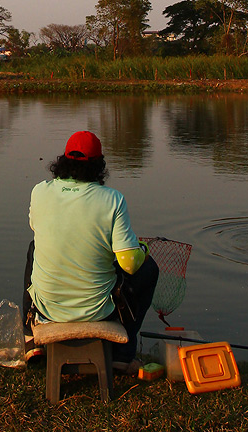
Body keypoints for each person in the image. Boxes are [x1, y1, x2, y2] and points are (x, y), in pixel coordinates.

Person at [24, 130, 159, 371]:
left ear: (62, 161)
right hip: (98, 310)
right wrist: (143, 249)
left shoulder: (39, 191)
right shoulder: (112, 200)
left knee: (34, 249)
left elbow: (37, 228)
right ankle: (122, 354)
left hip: (49, 309)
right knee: (148, 269)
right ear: (99, 166)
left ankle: (29, 337)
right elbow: (129, 263)